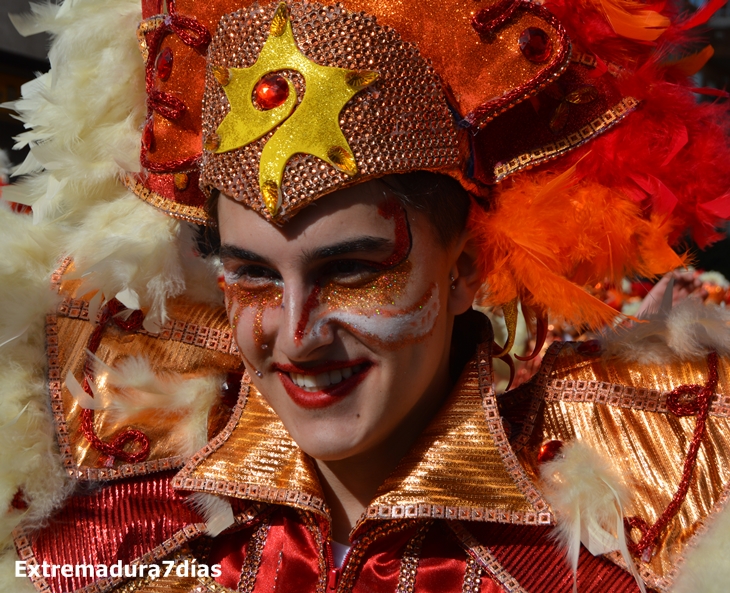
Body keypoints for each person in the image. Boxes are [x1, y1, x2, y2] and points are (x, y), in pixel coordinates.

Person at [1, 0, 730, 592]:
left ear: (465, 267)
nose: (295, 333)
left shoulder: (662, 489)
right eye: (253, 273)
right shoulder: (101, 469)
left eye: (350, 269)